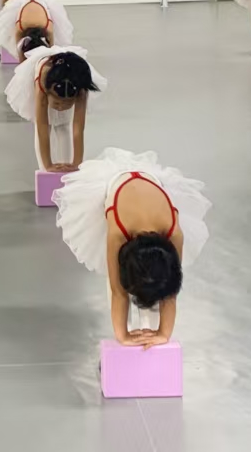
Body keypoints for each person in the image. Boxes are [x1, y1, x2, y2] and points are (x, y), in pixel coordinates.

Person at [56, 148, 210, 347]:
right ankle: (128, 332)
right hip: (117, 187)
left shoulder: (174, 233)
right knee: (118, 281)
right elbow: (117, 290)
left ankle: (148, 334)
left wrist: (163, 334)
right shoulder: (118, 234)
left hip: (150, 184)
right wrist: (123, 336)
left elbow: (170, 290)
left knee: (158, 282)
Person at [4, 45, 105, 172]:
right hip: (45, 75)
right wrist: (48, 165)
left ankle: (67, 164)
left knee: (64, 125)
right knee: (46, 125)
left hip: (74, 74)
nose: (61, 107)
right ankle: (44, 168)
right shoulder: (42, 81)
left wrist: (76, 164)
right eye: (57, 103)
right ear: (48, 93)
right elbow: (42, 126)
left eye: (67, 104)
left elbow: (78, 128)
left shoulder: (81, 88)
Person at [0, 0, 75, 60]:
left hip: (41, 5)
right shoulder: (20, 28)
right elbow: (19, 51)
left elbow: (51, 51)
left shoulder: (48, 29)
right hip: (25, 6)